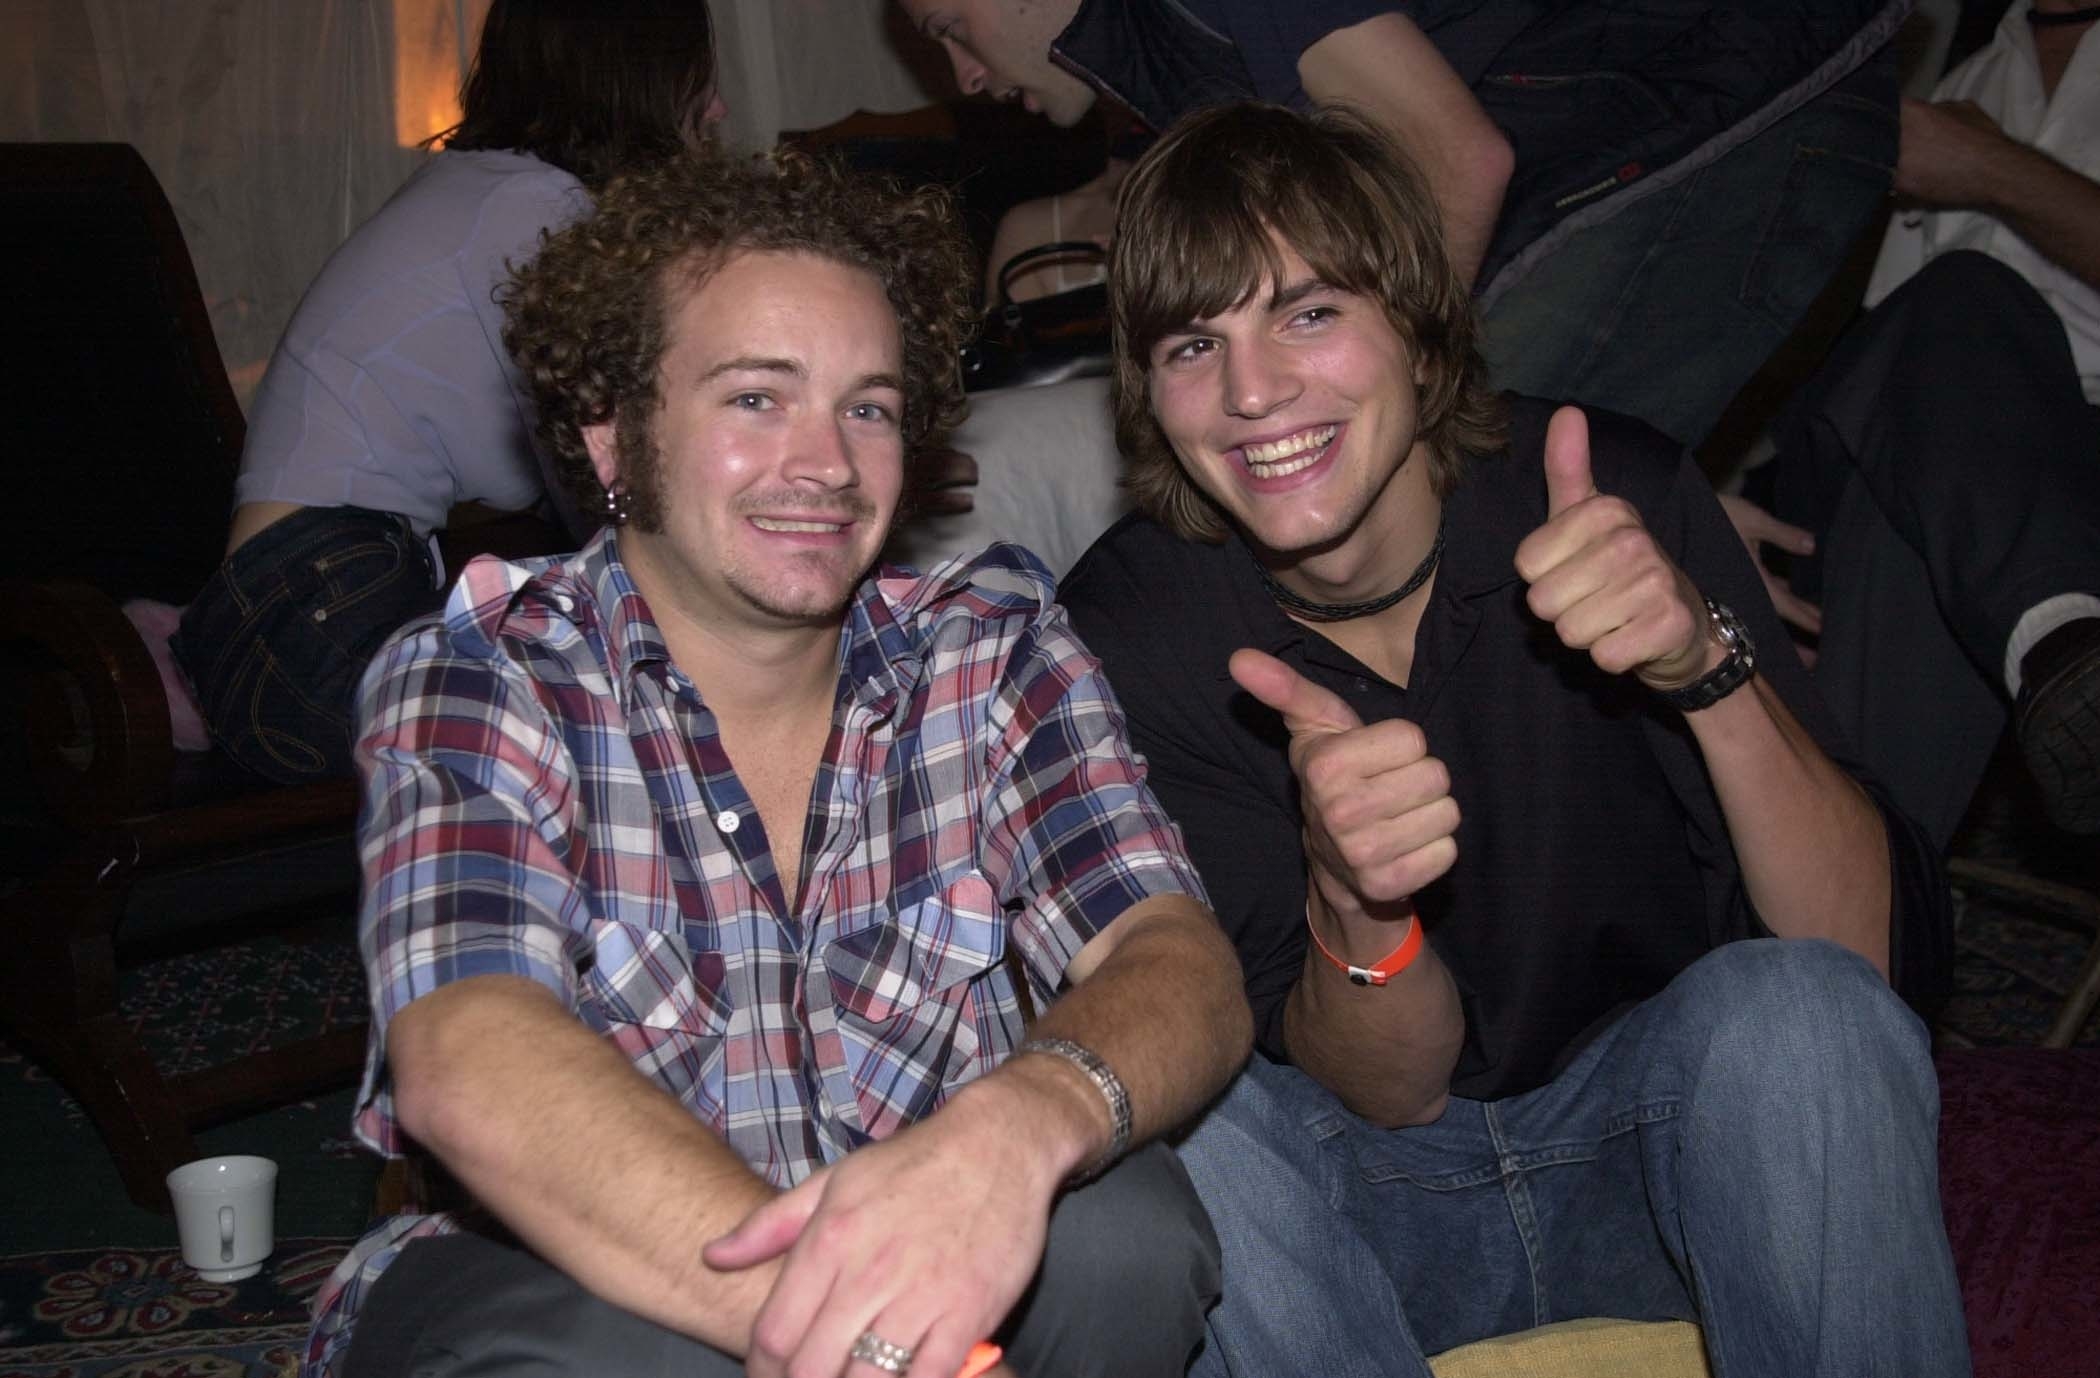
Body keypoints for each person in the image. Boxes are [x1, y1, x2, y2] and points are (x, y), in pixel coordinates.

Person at [302, 146, 1251, 1378]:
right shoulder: (483, 675)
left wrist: (1026, 1123)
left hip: (917, 1244)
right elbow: (467, 1054)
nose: (825, 463)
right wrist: (858, 1339)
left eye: (867, 405)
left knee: (1128, 1233)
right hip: (565, 1281)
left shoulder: (990, 647)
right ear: (613, 436)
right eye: (757, 397)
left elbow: (1179, 961)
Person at [1059, 103, 1966, 1375]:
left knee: (1800, 1014)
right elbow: (1390, 1095)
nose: (1253, 392)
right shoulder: (1133, 630)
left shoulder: (1608, 502)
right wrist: (1358, 902)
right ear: (1150, 396)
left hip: (1665, 1177)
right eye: (1192, 343)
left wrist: (1704, 668)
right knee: (1188, 1127)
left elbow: (1859, 958)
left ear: (1422, 339)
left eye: (1311, 312)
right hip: (1363, 1233)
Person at [896, 0, 1906, 452]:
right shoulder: (1150, 52)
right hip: (1636, 135)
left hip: (1752, 107)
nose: (964, 78)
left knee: (1466, 476)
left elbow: (1456, 163)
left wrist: (1399, 407)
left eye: (950, 32)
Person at [172, 0, 727, 784]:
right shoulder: (535, 209)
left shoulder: (479, 191)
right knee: (647, 707)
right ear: (636, 81)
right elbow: (599, 479)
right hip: (322, 611)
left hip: (278, 624)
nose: (717, 107)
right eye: (696, 78)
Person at [1735, 0, 2100, 840]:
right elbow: (1886, 340)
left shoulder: (1955, 126)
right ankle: (2059, 638)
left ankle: (1846, 909)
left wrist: (1992, 169)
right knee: (1934, 354)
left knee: (1915, 515)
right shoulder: (1964, 85)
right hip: (1942, 452)